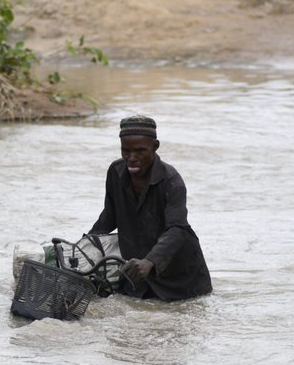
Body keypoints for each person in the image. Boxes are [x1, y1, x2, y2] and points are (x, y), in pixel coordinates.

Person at [89, 114, 212, 301]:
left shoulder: (171, 181)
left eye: (140, 151)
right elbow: (109, 216)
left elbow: (177, 229)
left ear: (155, 147)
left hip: (180, 279)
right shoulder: (116, 171)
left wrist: (150, 261)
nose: (131, 158)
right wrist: (85, 245)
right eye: (126, 151)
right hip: (137, 272)